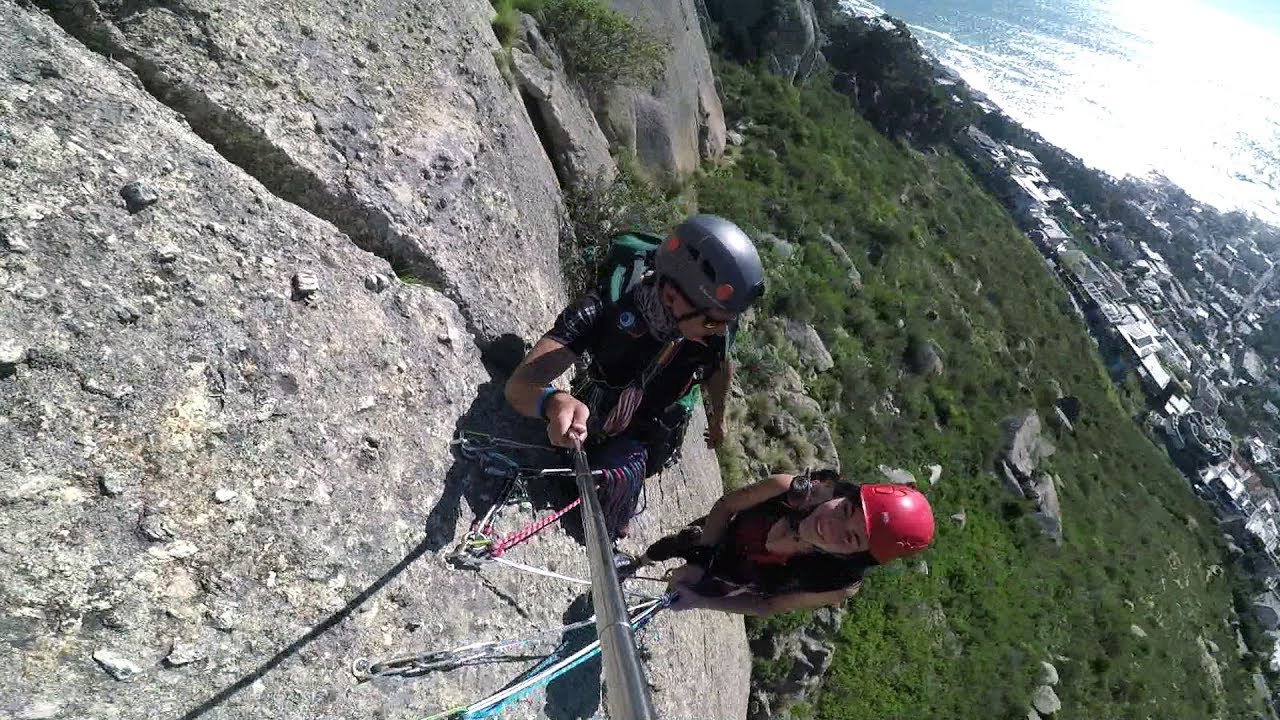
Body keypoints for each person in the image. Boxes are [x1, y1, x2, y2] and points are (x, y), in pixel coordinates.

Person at [504, 214, 766, 490]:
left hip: (657, 414)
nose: (721, 332)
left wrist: (719, 418)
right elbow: (520, 386)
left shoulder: (707, 330)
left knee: (622, 481)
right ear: (671, 297)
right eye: (714, 322)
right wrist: (552, 403)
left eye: (726, 323)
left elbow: (721, 364)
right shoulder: (602, 311)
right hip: (609, 393)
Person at [618, 470, 935, 615]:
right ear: (845, 496)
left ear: (857, 557)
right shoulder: (787, 490)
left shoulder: (837, 582)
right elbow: (727, 506)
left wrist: (700, 601)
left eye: (851, 537)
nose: (830, 525)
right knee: (683, 542)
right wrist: (699, 563)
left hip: (740, 576)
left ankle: (645, 607)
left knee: (684, 594)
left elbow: (767, 604)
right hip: (721, 536)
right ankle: (637, 563)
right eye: (847, 510)